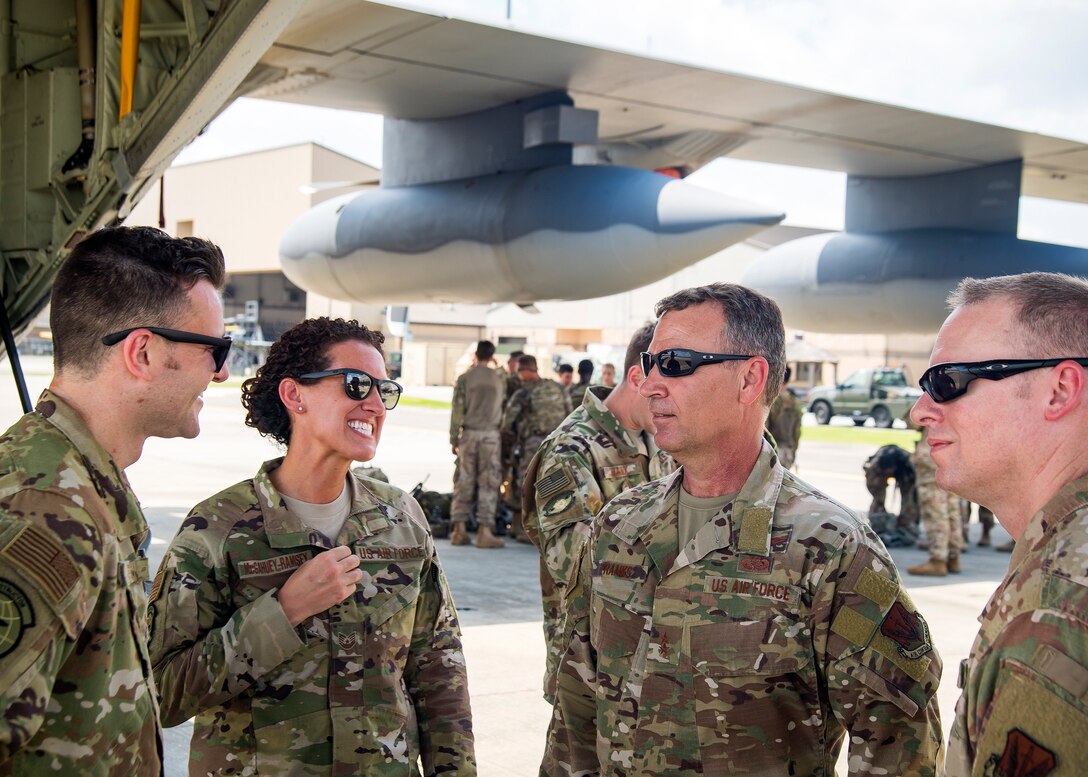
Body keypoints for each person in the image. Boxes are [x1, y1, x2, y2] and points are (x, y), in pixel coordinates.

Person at [557, 282, 943, 775]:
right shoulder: (618, 525)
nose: (651, 384)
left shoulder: (832, 549)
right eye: (651, 364)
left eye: (675, 364)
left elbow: (899, 741)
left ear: (749, 379)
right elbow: (577, 708)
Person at [148, 317, 475, 775]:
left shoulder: (401, 519)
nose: (377, 404)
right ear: (294, 395)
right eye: (358, 385)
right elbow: (160, 694)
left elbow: (438, 667)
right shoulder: (216, 529)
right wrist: (281, 612)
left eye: (386, 390)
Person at [0, 226, 229, 773]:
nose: (220, 372)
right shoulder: (50, 513)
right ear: (143, 352)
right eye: (214, 349)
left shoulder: (81, 480)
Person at [910, 272, 1088, 776]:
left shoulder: (1062, 604)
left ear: (1059, 390)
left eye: (948, 382)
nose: (920, 410)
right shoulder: (1056, 554)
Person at [522, 324, 675, 773]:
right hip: (588, 664)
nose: (670, 402)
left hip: (651, 658)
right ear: (635, 378)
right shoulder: (571, 451)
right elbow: (572, 557)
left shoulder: (657, 440)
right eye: (660, 390)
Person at [502, 355, 571, 542]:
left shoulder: (523, 392)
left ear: (524, 371)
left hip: (534, 443)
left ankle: (525, 529)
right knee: (554, 482)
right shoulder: (558, 388)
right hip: (558, 442)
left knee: (526, 483)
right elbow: (570, 413)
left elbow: (507, 422)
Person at [449, 340, 507, 548]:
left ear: (476, 353)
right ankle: (484, 531)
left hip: (469, 434)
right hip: (490, 436)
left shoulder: (465, 378)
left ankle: (459, 529)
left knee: (464, 480)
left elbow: (457, 410)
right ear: (492, 355)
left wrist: (454, 437)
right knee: (489, 483)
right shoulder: (500, 377)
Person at [908, 426, 964, 576]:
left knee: (935, 513)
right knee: (951, 511)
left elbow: (912, 421)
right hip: (948, 458)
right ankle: (953, 557)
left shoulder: (928, 404)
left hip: (931, 463)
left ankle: (938, 560)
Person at [765, 364, 803, 469]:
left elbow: (764, 430)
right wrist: (793, 452)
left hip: (772, 452)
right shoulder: (795, 402)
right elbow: (797, 432)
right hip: (788, 452)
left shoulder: (772, 401)